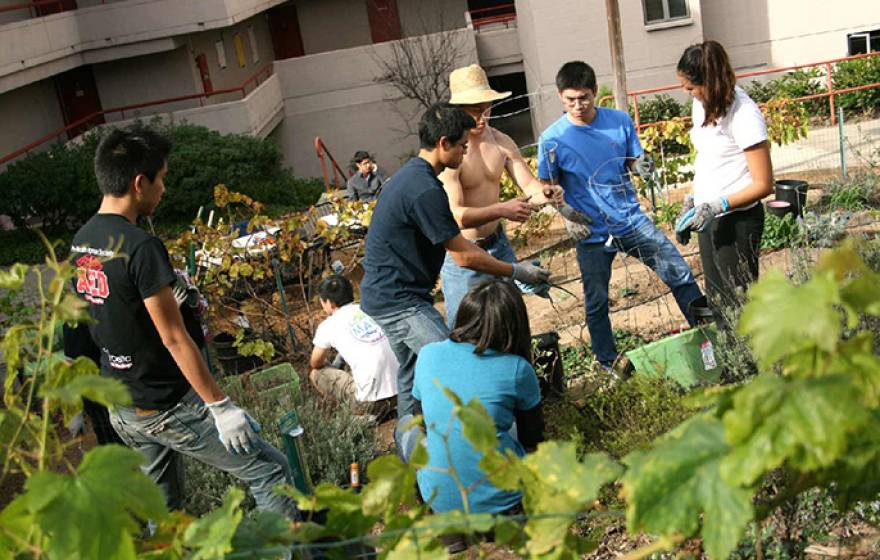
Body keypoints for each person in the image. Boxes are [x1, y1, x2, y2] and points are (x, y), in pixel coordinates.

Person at [68, 125, 297, 517]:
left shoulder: (81, 241)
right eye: (162, 179)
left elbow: (79, 326)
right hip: (166, 406)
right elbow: (174, 338)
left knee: (164, 512)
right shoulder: (141, 248)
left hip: (122, 407)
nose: (164, 189)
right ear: (140, 182)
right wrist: (220, 407)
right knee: (270, 470)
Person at [360, 103, 549, 449]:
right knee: (451, 365)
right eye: (462, 146)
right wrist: (516, 270)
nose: (465, 152)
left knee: (411, 375)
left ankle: (414, 458)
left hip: (388, 296)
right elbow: (462, 255)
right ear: (444, 143)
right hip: (398, 302)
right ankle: (472, 452)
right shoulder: (425, 189)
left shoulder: (414, 177)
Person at [536, 61, 704, 369]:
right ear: (560, 96)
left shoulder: (618, 121)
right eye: (570, 99)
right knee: (596, 301)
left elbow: (632, 160)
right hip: (590, 232)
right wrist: (567, 215)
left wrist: (640, 166)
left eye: (584, 97)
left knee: (677, 270)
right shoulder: (552, 139)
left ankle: (708, 332)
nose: (578, 105)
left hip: (631, 221)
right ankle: (608, 363)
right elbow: (548, 187)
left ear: (596, 92)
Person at [439, 64, 579, 327]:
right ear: (458, 110)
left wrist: (547, 193)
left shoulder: (501, 141)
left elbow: (530, 187)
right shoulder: (452, 153)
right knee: (465, 330)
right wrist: (502, 209)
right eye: (473, 111)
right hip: (464, 254)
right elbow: (456, 216)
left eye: (486, 109)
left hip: (498, 245)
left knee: (510, 322)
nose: (481, 118)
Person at [413, 280, 543, 549]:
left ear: (464, 316)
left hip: (442, 501)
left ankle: (446, 528)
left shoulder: (428, 354)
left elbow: (422, 420)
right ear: (514, 324)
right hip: (504, 504)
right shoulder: (517, 368)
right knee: (507, 430)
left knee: (407, 428)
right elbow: (533, 440)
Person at [676, 41, 773, 315]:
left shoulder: (744, 115)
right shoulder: (703, 105)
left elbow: (764, 183)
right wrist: (693, 199)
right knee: (719, 305)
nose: (687, 93)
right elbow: (709, 156)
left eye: (691, 87)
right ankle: (728, 358)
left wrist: (718, 205)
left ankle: (749, 359)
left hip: (737, 222)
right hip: (711, 220)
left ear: (711, 82)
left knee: (738, 308)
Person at [309, 274, 398, 421]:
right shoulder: (370, 309)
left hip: (369, 402)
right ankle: (387, 407)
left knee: (316, 374)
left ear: (330, 304)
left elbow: (315, 362)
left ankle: (358, 415)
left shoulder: (328, 326)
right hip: (403, 391)